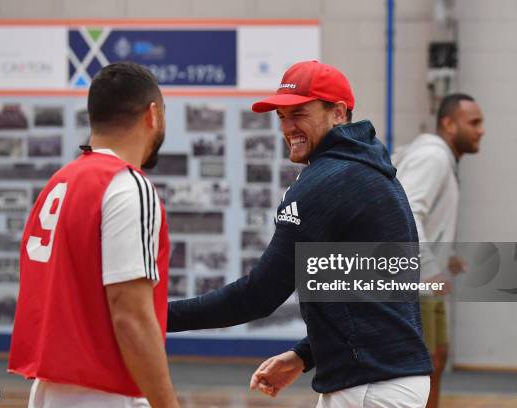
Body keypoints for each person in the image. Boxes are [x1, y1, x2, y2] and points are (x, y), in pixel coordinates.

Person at [167, 60, 433, 407]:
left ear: (338, 113)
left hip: (370, 387)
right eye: (282, 117)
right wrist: (305, 355)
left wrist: (155, 315)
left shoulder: (327, 182)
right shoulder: (371, 174)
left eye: (299, 114)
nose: (288, 127)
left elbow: (258, 295)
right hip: (383, 380)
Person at [8, 62, 179, 408]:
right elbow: (129, 316)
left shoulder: (60, 181)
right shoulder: (128, 185)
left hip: (48, 391)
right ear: (153, 115)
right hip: (105, 393)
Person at [393, 93, 485, 408]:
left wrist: (447, 258)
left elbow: (426, 219)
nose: (481, 130)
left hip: (421, 275)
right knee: (423, 363)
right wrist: (430, 268)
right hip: (413, 278)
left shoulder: (440, 157)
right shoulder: (432, 157)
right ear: (448, 124)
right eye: (473, 122)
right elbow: (405, 212)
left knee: (436, 357)